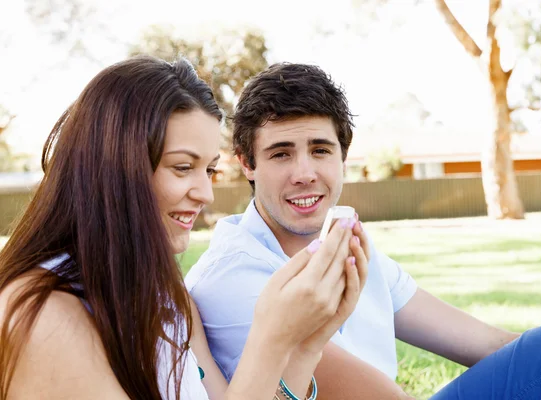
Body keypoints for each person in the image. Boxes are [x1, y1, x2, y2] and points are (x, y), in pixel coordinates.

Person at [185, 62, 541, 400]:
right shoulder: (234, 277)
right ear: (247, 163)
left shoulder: (339, 241)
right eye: (281, 155)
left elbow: (488, 345)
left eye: (320, 150)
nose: (304, 174)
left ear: (343, 156)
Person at [0, 55, 370, 400]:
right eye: (182, 167)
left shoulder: (167, 297)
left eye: (208, 170)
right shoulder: (42, 314)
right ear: (113, 169)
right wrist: (269, 338)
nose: (205, 194)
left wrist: (306, 344)